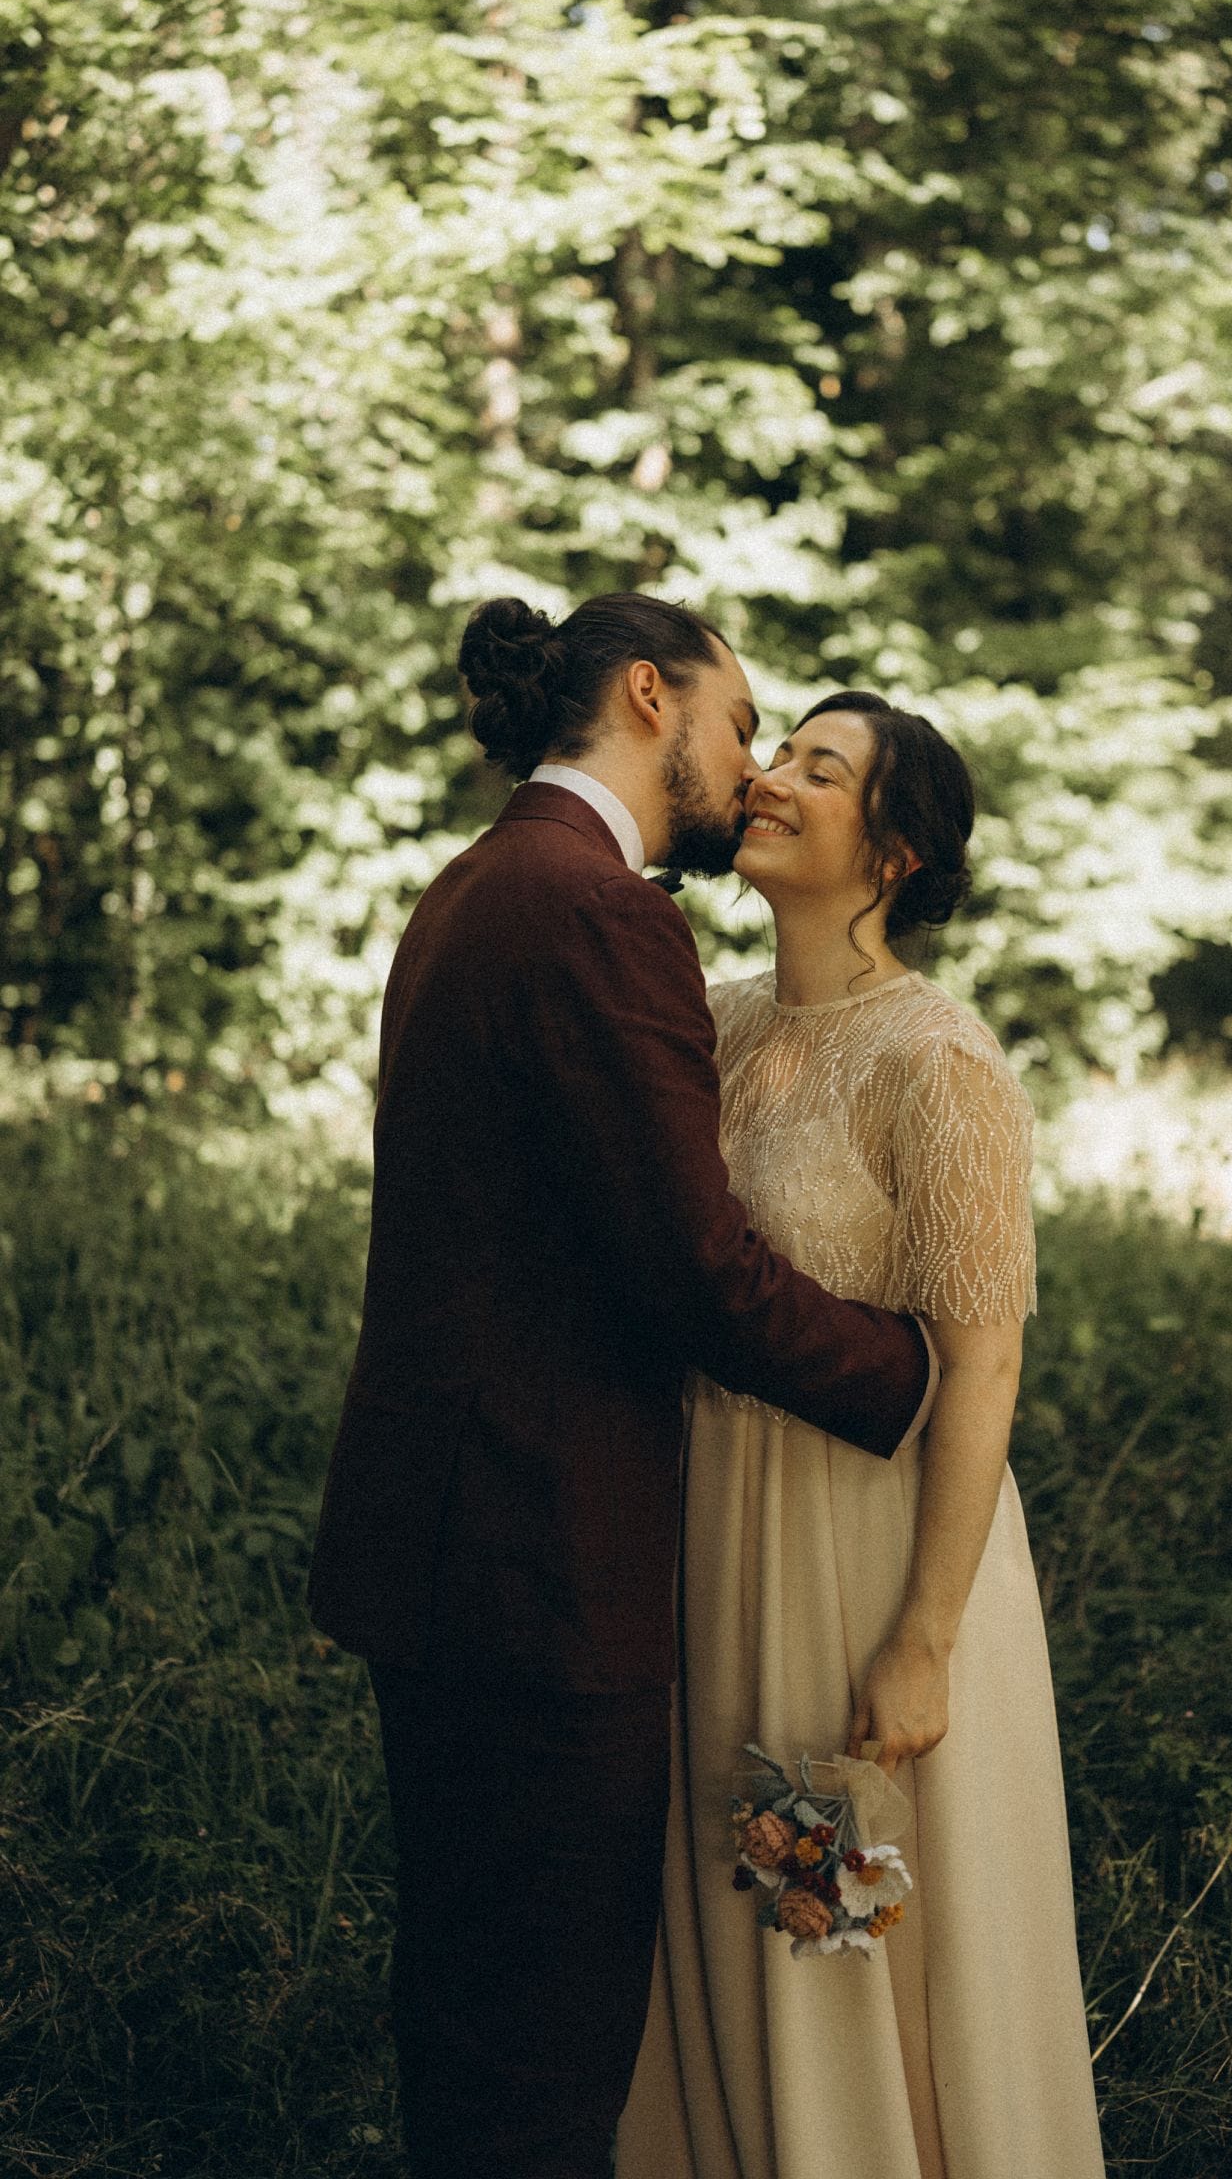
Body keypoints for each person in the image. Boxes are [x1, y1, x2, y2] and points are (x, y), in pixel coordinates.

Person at [306, 598, 941, 2179]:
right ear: (651, 697)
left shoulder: (475, 886)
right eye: (742, 725)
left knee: (472, 2027)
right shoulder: (595, 910)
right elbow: (694, 1271)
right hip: (533, 1565)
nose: (750, 766)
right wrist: (907, 1374)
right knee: (543, 2060)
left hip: (451, 1552)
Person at [618, 692, 1105, 2179]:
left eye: (817, 770)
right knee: (727, 1903)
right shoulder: (717, 1018)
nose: (765, 779)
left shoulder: (936, 1060)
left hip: (870, 1546)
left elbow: (984, 1361)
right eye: (778, 753)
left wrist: (924, 1634)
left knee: (849, 1933)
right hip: (718, 1527)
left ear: (890, 854)